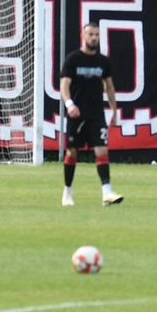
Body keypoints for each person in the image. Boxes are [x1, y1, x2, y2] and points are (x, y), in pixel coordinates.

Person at [57, 23, 123, 207]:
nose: (94, 38)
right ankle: (67, 192)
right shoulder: (73, 59)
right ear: (83, 36)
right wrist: (69, 104)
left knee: (102, 151)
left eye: (96, 35)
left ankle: (107, 193)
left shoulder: (103, 61)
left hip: (96, 114)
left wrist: (114, 110)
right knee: (72, 152)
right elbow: (64, 85)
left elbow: (109, 87)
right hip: (77, 115)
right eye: (90, 34)